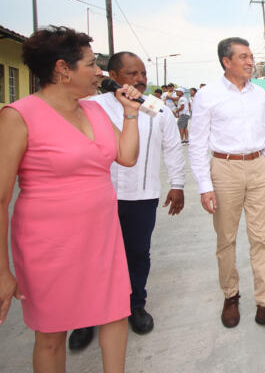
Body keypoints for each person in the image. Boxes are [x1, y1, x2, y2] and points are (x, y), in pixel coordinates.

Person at [0, 26, 142, 373]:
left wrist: (130, 112)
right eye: (91, 64)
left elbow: (126, 157)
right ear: (63, 69)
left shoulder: (95, 111)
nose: (100, 71)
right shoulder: (18, 116)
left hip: (102, 236)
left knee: (115, 316)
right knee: (52, 334)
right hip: (48, 245)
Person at [68, 51, 186, 350]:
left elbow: (172, 147)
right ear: (114, 76)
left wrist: (177, 184)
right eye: (132, 74)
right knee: (94, 257)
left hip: (141, 196)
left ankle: (135, 305)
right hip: (97, 197)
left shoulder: (155, 108)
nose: (140, 80)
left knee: (137, 254)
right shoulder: (90, 106)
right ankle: (87, 316)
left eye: (143, 74)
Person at [189, 37, 265, 333]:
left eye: (251, 57)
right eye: (244, 57)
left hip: (258, 166)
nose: (250, 62)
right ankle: (231, 296)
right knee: (226, 238)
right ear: (226, 61)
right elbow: (196, 144)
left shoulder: (259, 95)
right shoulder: (207, 96)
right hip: (225, 168)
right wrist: (204, 186)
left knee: (261, 238)